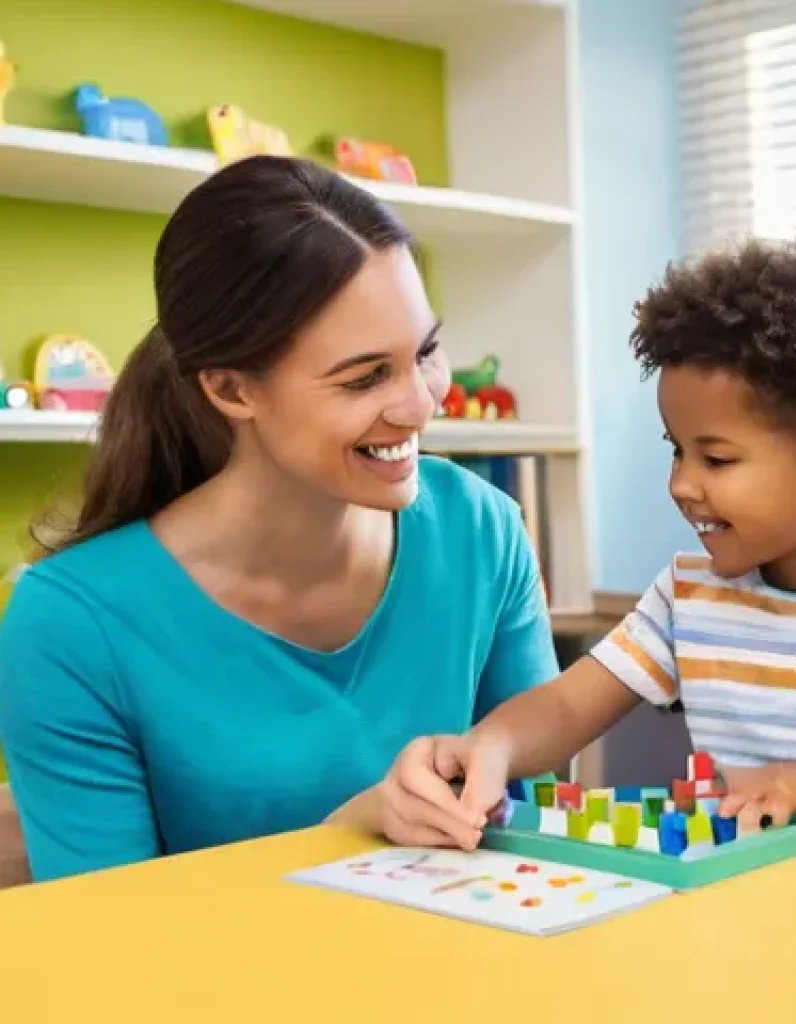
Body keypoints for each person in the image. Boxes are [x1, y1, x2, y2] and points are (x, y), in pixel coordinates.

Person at [0, 156, 555, 882]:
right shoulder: (73, 624)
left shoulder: (483, 533)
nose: (422, 404)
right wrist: (351, 833)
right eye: (365, 377)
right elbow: (112, 946)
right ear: (232, 389)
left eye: (423, 352)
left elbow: (544, 833)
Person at [388, 226, 796, 848]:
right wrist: (489, 747)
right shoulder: (689, 597)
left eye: (716, 460)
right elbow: (560, 711)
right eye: (677, 451)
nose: (683, 485)